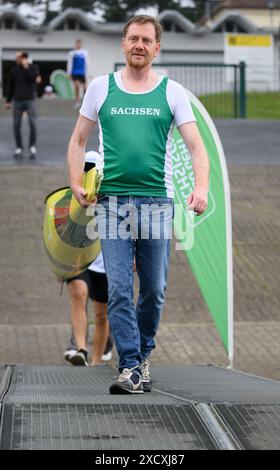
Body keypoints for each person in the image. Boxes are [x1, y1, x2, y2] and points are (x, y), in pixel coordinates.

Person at [67, 15, 209, 394]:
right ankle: (129, 365)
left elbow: (197, 147)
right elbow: (78, 140)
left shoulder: (171, 92)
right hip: (111, 203)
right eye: (133, 39)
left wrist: (202, 187)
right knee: (117, 288)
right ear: (123, 44)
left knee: (154, 289)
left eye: (147, 40)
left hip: (156, 204)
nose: (139, 45)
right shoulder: (101, 88)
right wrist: (75, 183)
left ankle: (143, 355)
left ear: (157, 48)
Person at [64, 150, 113, 367]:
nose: (87, 174)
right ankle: (81, 349)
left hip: (105, 260)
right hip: (79, 257)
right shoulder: (74, 194)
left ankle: (95, 361)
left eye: (92, 170)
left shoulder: (114, 193)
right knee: (78, 292)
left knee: (102, 314)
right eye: (85, 169)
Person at [5, 51, 40, 159]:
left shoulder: (33, 68)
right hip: (17, 101)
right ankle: (19, 147)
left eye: (18, 57)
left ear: (24, 58)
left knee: (32, 123)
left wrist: (26, 67)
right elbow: (10, 85)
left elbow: (32, 79)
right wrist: (8, 100)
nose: (16, 59)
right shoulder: (14, 70)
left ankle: (32, 146)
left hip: (30, 100)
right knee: (16, 124)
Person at [67, 39, 89, 109]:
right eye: (77, 44)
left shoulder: (85, 53)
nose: (78, 45)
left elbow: (87, 63)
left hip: (82, 72)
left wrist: (88, 73)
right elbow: (69, 63)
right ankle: (77, 101)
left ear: (81, 44)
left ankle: (85, 102)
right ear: (75, 44)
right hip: (75, 72)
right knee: (76, 86)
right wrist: (69, 73)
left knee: (85, 88)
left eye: (80, 44)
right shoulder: (72, 53)